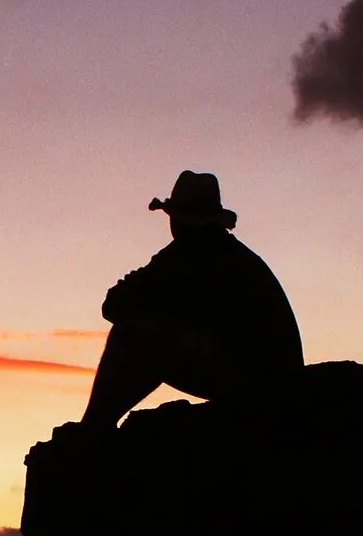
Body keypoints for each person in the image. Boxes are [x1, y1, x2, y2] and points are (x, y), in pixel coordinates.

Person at [80, 170, 303, 427]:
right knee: (144, 330)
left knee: (132, 333)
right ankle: (96, 427)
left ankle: (94, 428)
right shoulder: (228, 254)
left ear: (179, 219)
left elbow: (114, 306)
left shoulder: (191, 254)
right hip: (267, 377)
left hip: (257, 382)